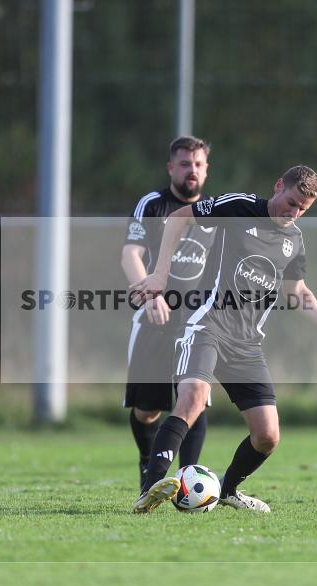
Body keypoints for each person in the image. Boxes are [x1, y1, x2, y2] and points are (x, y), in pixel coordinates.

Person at [130, 165, 317, 513]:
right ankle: (148, 490)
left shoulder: (294, 239)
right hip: (207, 324)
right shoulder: (240, 206)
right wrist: (159, 273)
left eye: (303, 210)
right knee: (192, 397)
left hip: (247, 343)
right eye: (291, 202)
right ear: (278, 186)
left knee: (267, 436)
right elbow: (178, 216)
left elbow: (296, 291)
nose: (293, 213)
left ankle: (228, 491)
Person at [121, 136, 215, 490]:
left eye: (198, 164)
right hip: (154, 321)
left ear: (206, 170)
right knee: (147, 410)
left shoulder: (213, 212)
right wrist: (149, 295)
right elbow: (130, 254)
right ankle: (149, 466)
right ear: (171, 168)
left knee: (196, 398)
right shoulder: (153, 204)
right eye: (185, 164)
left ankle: (190, 479)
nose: (192, 171)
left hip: (196, 323)